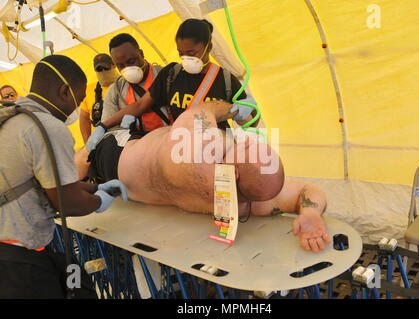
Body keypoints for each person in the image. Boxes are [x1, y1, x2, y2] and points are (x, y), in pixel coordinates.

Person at [76, 100, 331, 253]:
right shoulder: (250, 202)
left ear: (236, 171)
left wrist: (232, 110)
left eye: (243, 146)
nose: (241, 141)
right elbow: (306, 192)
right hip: (134, 185)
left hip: (116, 155)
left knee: (82, 156)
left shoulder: (195, 148)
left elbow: (203, 109)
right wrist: (309, 213)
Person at [0, 55, 127, 299]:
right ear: (64, 91)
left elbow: (40, 183)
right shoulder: (47, 127)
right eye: (78, 101)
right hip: (18, 262)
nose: (75, 110)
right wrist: (100, 201)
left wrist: (96, 187)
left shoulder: (12, 117)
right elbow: (66, 201)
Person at [86, 19, 257, 152]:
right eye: (181, 53)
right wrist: (103, 126)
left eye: (192, 53)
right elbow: (139, 105)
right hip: (180, 152)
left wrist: (249, 109)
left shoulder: (226, 80)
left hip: (219, 151)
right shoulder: (171, 75)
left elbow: (251, 123)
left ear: (208, 47)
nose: (186, 59)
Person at [100, 33, 165, 133]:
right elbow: (111, 131)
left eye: (131, 61)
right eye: (121, 66)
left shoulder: (166, 76)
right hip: (139, 146)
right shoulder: (115, 92)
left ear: (141, 54)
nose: (128, 68)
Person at [79, 53, 119, 144]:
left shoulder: (125, 84)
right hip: (99, 143)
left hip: (124, 139)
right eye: (99, 69)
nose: (103, 71)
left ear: (114, 66)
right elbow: (84, 118)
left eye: (106, 68)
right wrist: (87, 143)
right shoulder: (89, 90)